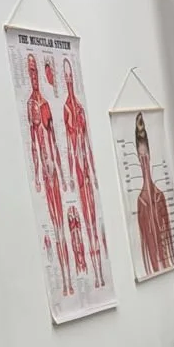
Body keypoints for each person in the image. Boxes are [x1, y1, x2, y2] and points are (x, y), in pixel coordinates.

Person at [26, 52, 71, 297]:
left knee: (63, 226)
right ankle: (64, 280)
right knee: (55, 228)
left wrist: (63, 177)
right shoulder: (31, 107)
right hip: (44, 173)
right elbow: (34, 144)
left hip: (54, 172)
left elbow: (53, 142)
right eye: (31, 72)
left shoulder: (45, 106)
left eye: (36, 72)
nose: (34, 77)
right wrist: (35, 176)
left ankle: (68, 279)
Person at [63, 58, 108, 289]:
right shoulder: (66, 110)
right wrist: (69, 176)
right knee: (85, 223)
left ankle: (99, 273)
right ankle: (78, 278)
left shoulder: (79, 108)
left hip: (85, 169)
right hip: (78, 171)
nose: (69, 82)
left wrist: (92, 171)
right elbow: (69, 148)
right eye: (67, 77)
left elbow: (86, 147)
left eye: (70, 78)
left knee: (92, 222)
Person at [134, 111, 174, 275]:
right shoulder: (142, 201)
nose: (144, 159)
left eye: (146, 156)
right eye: (141, 156)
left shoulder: (159, 196)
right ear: (138, 158)